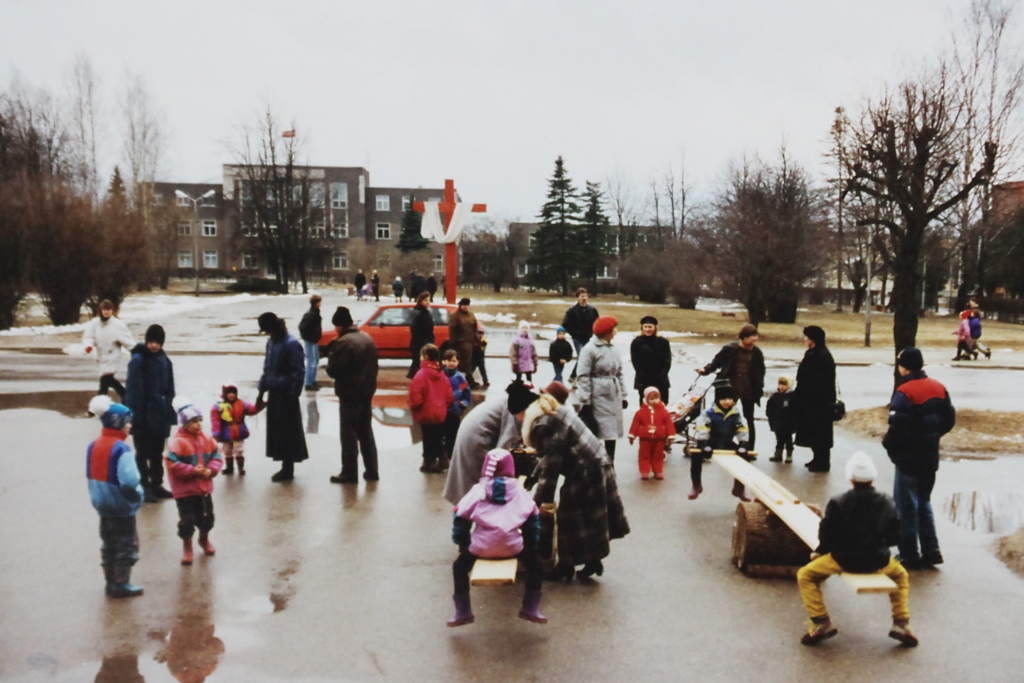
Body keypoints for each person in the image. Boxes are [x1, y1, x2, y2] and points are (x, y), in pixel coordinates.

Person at [797, 452, 917, 648]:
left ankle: (820, 621)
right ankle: (901, 622)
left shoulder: (838, 502)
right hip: (878, 560)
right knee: (901, 576)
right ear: (872, 478)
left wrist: (819, 552)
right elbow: (895, 536)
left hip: (843, 560)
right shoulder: (887, 501)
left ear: (851, 478)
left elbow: (826, 534)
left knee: (806, 575)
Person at [524, 390, 630, 581]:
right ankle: (593, 561)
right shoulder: (555, 412)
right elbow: (549, 457)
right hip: (598, 462)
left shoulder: (543, 425)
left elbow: (551, 464)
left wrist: (537, 502)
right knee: (590, 518)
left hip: (585, 471)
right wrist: (532, 479)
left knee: (569, 518)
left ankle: (566, 568)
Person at [448, 448, 546, 627]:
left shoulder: (479, 490)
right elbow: (533, 518)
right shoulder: (518, 491)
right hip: (512, 547)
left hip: (481, 548)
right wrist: (530, 545)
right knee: (536, 565)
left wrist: (463, 544)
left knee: (459, 567)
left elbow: (459, 516)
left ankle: (463, 612)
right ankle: (530, 607)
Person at [883, 347, 956, 570]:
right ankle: (931, 549)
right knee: (923, 501)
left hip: (908, 456)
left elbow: (897, 426)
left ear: (904, 366)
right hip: (929, 454)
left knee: (906, 504)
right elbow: (949, 419)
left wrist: (890, 446)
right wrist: (933, 436)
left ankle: (908, 553)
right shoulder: (939, 388)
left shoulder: (905, 392)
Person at [86, 395, 144, 598]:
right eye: (127, 422)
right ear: (118, 423)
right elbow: (130, 480)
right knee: (126, 544)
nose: (130, 426)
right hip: (121, 506)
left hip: (102, 504)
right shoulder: (121, 449)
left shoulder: (94, 445)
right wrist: (137, 497)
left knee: (108, 542)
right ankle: (121, 583)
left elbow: (90, 474)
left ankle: (109, 580)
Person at [443, 381, 533, 505]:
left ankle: (466, 513)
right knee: (483, 486)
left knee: (469, 483)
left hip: (471, 434)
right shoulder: (516, 408)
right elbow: (503, 447)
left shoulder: (512, 401)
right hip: (477, 439)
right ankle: (477, 514)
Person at [326, 306, 380, 484]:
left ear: (339, 326)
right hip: (366, 392)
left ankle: (349, 472)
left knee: (348, 434)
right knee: (365, 431)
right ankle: (372, 470)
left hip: (350, 393)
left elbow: (333, 371)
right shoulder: (367, 338)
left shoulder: (343, 343)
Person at [166, 399, 222, 566]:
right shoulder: (178, 443)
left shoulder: (207, 440)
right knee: (187, 520)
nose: (198, 425)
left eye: (199, 420)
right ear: (184, 424)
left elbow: (217, 457)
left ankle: (204, 540)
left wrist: (211, 470)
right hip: (185, 491)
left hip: (203, 488)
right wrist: (192, 470)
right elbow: (171, 464)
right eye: (193, 422)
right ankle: (187, 546)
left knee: (207, 517)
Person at [124, 324, 176, 503]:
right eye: (151, 342)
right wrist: (134, 416)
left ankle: (156, 484)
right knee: (142, 452)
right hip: (143, 414)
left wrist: (169, 407)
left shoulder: (164, 360)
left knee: (157, 451)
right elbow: (132, 390)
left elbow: (170, 388)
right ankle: (144, 485)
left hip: (159, 413)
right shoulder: (139, 360)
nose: (154, 345)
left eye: (157, 342)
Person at [256, 312, 309, 482]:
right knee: (278, 431)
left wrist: (293, 395)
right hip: (275, 393)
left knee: (288, 432)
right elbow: (267, 369)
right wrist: (261, 392)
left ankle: (288, 468)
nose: (266, 333)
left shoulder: (291, 344)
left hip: (287, 394)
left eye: (266, 330)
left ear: (273, 327)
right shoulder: (271, 342)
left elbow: (298, 372)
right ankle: (284, 465)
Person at [697, 323, 764, 448]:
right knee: (721, 416)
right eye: (753, 336)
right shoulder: (730, 348)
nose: (756, 339)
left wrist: (759, 387)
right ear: (744, 337)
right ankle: (715, 443)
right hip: (730, 389)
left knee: (748, 419)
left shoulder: (757, 352)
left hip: (748, 389)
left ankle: (748, 447)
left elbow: (760, 372)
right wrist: (706, 370)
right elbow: (717, 361)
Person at [576, 316, 627, 461]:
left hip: (613, 393)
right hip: (597, 394)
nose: (616, 331)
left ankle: (610, 461)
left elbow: (619, 372)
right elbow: (583, 375)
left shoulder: (614, 348)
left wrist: (623, 394)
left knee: (612, 431)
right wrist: (585, 399)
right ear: (607, 332)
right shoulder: (590, 349)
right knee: (597, 429)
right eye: (614, 329)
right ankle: (594, 462)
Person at [691, 385, 751, 501]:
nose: (727, 402)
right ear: (718, 399)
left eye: (730, 399)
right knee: (696, 457)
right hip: (710, 441)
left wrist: (743, 443)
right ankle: (696, 485)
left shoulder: (736, 413)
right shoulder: (709, 412)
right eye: (724, 399)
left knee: (744, 458)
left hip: (727, 441)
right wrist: (704, 443)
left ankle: (739, 488)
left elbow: (742, 428)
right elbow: (703, 427)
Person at [793, 325, 836, 472]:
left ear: (813, 339)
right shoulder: (813, 353)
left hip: (819, 401)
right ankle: (817, 458)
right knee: (814, 432)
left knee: (820, 433)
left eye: (807, 337)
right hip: (811, 400)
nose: (805, 340)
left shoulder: (822, 356)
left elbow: (821, 380)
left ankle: (823, 461)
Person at [409, 344, 453, 473]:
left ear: (425, 357)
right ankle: (440, 458)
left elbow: (415, 396)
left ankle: (430, 460)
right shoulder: (442, 374)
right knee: (437, 435)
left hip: (425, 412)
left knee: (428, 437)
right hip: (440, 412)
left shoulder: (420, 375)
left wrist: (415, 407)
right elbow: (449, 395)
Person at [82, 299, 135, 399]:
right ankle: (126, 397)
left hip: (113, 357)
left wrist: (135, 350)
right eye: (105, 309)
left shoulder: (117, 324)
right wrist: (88, 346)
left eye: (109, 309)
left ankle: (96, 407)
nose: (107, 312)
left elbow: (127, 340)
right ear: (100, 310)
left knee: (105, 381)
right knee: (108, 381)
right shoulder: (94, 324)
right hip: (101, 357)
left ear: (112, 311)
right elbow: (88, 336)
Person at [210, 382, 258, 476]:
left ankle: (241, 468)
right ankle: (229, 468)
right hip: (225, 433)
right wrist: (216, 434)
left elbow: (252, 410)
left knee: (239, 449)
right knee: (227, 450)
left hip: (238, 433)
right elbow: (215, 421)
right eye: (229, 393)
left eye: (233, 393)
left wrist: (259, 404)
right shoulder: (218, 406)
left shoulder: (242, 403)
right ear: (224, 394)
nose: (231, 395)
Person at [628, 386, 675, 480]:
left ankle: (658, 470)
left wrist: (670, 435)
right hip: (645, 438)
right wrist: (632, 435)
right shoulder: (640, 412)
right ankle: (645, 471)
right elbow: (635, 424)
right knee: (644, 455)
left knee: (658, 456)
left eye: (656, 398)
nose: (654, 401)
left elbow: (669, 424)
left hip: (659, 438)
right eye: (651, 398)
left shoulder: (664, 412)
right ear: (646, 399)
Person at [630, 315, 671, 404]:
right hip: (643, 379)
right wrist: (644, 376)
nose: (648, 329)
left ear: (655, 328)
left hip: (661, 379)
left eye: (650, 327)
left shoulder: (663, 342)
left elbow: (667, 361)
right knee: (645, 405)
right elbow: (635, 362)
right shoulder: (637, 342)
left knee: (662, 405)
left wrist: (662, 375)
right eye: (646, 327)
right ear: (642, 328)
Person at [561, 288, 599, 381]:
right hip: (578, 338)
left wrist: (595, 333)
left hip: (589, 338)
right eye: (582, 296)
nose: (584, 298)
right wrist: (574, 333)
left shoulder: (592, 310)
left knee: (587, 357)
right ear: (578, 297)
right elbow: (565, 324)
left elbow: (597, 322)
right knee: (582, 355)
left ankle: (577, 376)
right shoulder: (572, 311)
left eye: (585, 296)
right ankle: (575, 376)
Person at [442, 349, 472, 464]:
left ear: (458, 362)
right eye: (449, 360)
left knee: (453, 434)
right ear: (444, 361)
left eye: (454, 361)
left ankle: (451, 455)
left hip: (455, 411)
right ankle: (444, 455)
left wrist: (463, 404)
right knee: (442, 433)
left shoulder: (460, 377)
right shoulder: (441, 376)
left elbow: (466, 393)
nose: (452, 363)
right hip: (443, 410)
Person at [766, 375, 796, 463]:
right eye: (780, 384)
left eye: (784, 385)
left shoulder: (791, 397)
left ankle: (789, 454)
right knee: (779, 439)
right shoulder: (775, 396)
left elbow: (795, 410)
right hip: (777, 422)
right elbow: (769, 407)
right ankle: (778, 454)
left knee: (788, 439)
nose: (781, 387)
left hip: (788, 423)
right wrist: (770, 417)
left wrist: (794, 422)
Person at [448, 297, 479, 386]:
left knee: (469, 362)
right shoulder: (455, 315)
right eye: (463, 305)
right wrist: (452, 343)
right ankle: (465, 379)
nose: (465, 307)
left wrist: (477, 340)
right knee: (462, 363)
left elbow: (474, 328)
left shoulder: (471, 315)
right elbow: (453, 330)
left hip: (470, 342)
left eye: (467, 305)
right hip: (460, 342)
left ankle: (467, 379)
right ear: (460, 305)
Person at [297, 294, 323, 391]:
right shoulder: (311, 315)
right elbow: (302, 327)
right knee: (311, 362)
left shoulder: (314, 313)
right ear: (316, 303)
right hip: (311, 340)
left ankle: (312, 380)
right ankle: (308, 382)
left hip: (314, 340)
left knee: (315, 360)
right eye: (319, 302)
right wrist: (309, 337)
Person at [408, 292, 435, 379]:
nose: (428, 302)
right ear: (421, 301)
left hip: (424, 342)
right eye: (426, 300)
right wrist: (425, 342)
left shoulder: (426, 312)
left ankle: (415, 378)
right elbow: (415, 330)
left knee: (418, 363)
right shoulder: (419, 313)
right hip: (420, 343)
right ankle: (415, 379)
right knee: (418, 362)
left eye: (429, 300)